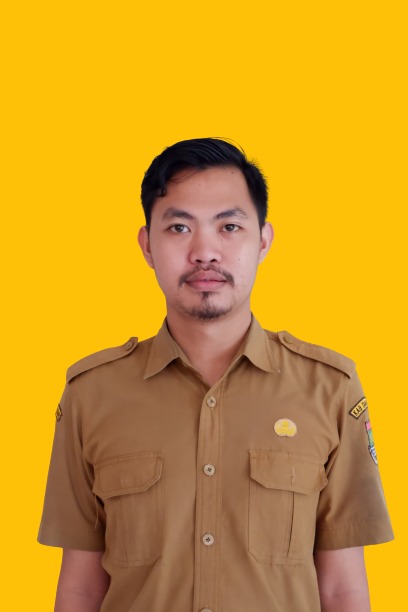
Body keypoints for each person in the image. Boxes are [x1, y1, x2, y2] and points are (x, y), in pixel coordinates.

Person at [38, 138, 393, 612]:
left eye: (229, 226)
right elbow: (81, 588)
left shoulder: (330, 389)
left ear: (262, 241)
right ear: (147, 245)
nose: (205, 252)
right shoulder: (92, 393)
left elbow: (343, 589)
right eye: (179, 227)